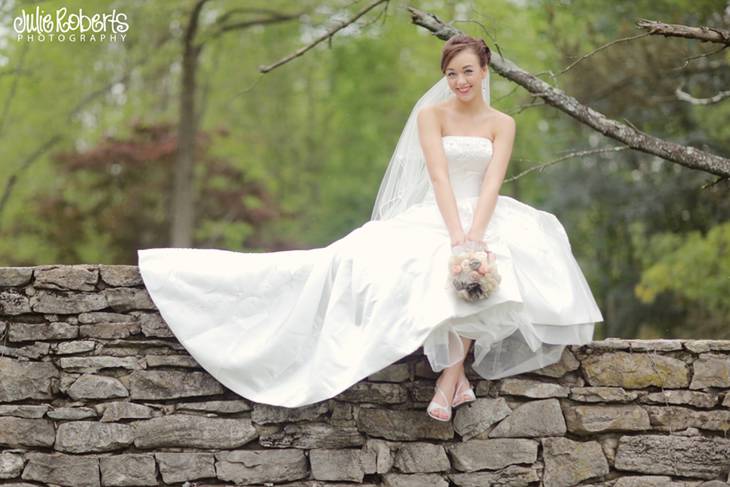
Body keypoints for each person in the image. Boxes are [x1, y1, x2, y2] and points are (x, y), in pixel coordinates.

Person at [137, 34, 603, 421]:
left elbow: (493, 180)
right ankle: (453, 381)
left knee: (489, 265)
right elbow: (439, 175)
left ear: (485, 72)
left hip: (487, 210)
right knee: (407, 262)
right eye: (451, 73)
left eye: (467, 71)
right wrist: (456, 235)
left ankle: (450, 378)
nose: (459, 81)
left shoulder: (502, 123)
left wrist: (476, 236)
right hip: (439, 211)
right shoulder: (431, 116)